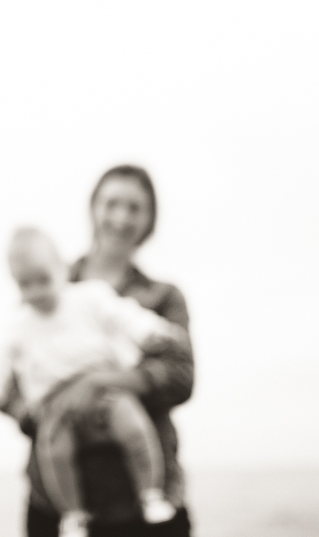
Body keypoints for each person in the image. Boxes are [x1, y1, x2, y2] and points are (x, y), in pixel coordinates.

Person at [19, 165, 194, 537]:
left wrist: (101, 383)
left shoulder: (164, 297)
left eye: (135, 207)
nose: (120, 217)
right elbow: (13, 380)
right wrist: (47, 409)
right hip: (54, 509)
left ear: (150, 220)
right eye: (111, 203)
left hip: (147, 510)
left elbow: (181, 377)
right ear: (93, 207)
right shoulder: (44, 283)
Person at [0, 227, 184, 537]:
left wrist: (153, 330)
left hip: (107, 391)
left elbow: (126, 317)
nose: (36, 292)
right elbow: (1, 364)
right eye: (25, 284)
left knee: (134, 429)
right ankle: (74, 515)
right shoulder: (20, 322)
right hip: (53, 406)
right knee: (54, 452)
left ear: (62, 269)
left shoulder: (91, 295)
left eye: (43, 281)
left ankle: (151, 495)